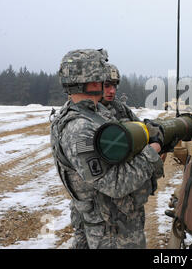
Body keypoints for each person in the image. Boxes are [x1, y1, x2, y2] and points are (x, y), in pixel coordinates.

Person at [50, 49, 164, 249]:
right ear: (93, 81)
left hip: (114, 220)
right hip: (111, 229)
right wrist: (152, 151)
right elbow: (116, 184)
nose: (107, 86)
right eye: (103, 79)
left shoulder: (94, 113)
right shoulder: (80, 128)